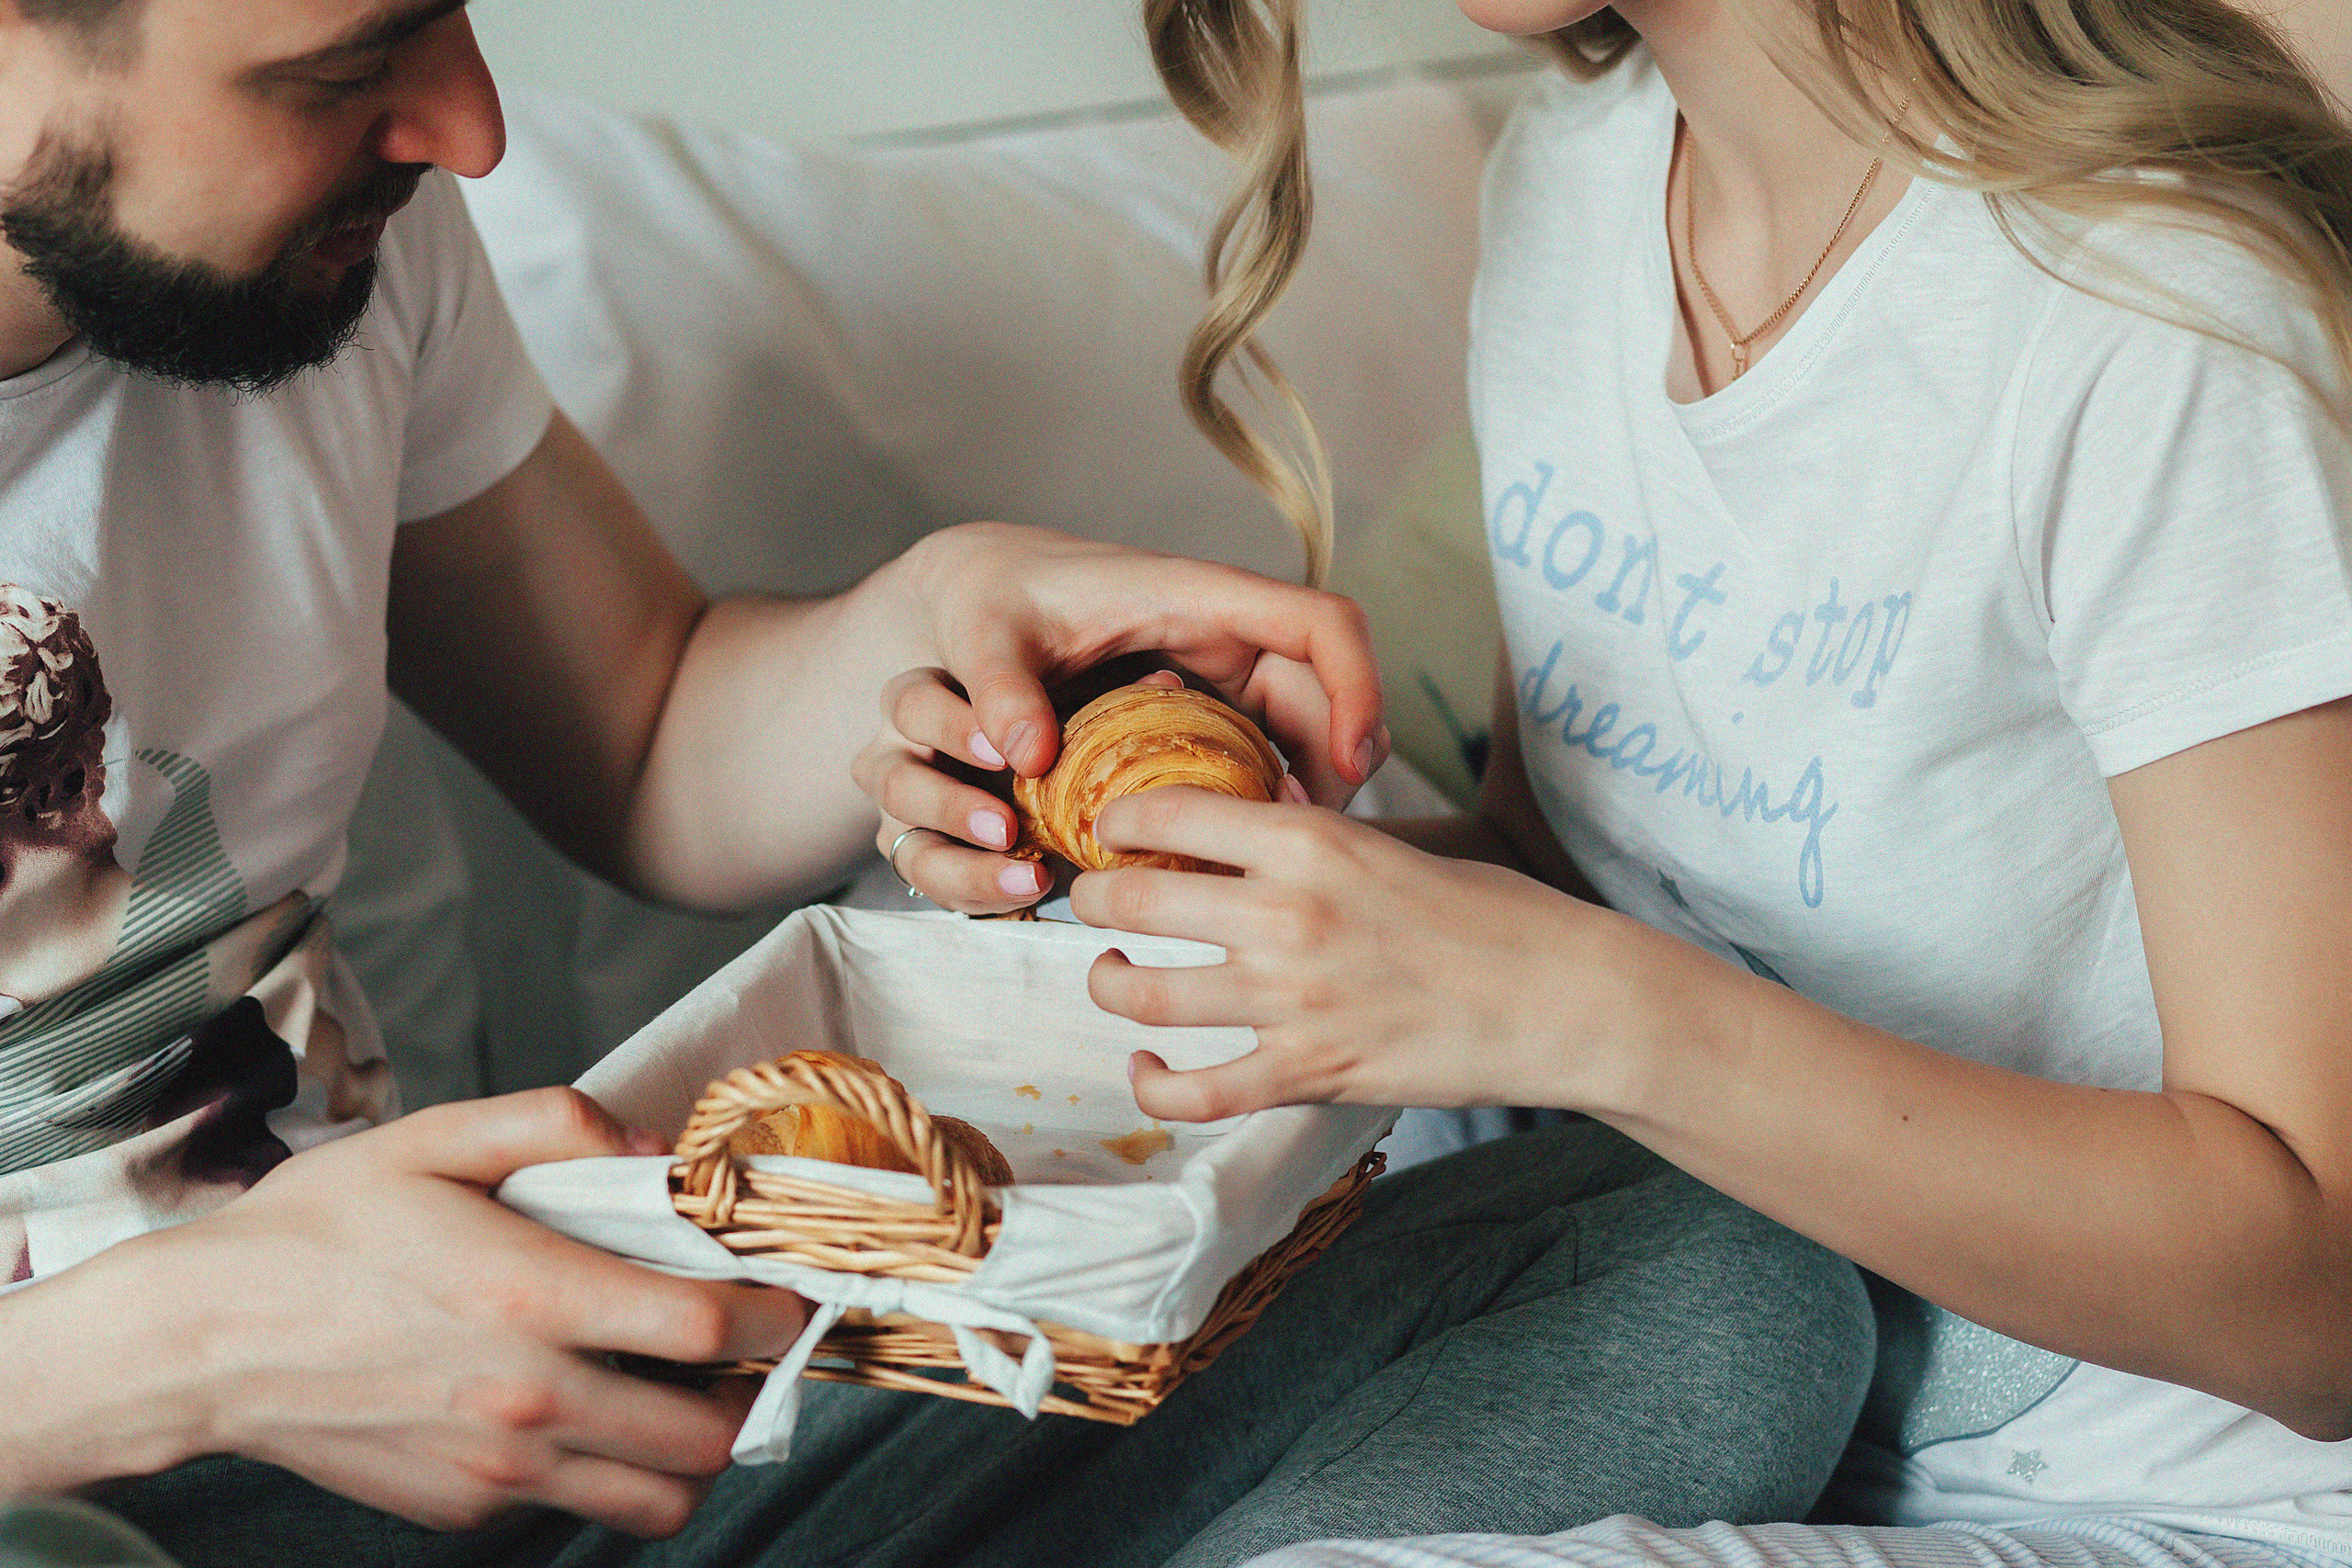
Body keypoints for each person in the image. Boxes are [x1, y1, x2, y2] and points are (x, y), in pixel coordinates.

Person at [0, 0, 1873, 1564]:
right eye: (344, 66)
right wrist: (201, 1349)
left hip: (495, 1414)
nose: (471, 128)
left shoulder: (355, 247)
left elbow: (642, 727)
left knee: (1699, 1275)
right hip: (82, 1476)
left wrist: (940, 614)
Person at [876, 0, 2352, 1566]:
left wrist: (1597, 1010)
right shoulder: (1577, 179)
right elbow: (1586, 878)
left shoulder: (2156, 306)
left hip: (2162, 1497)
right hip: (1678, 1346)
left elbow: (2318, 1301)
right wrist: (1183, 859)